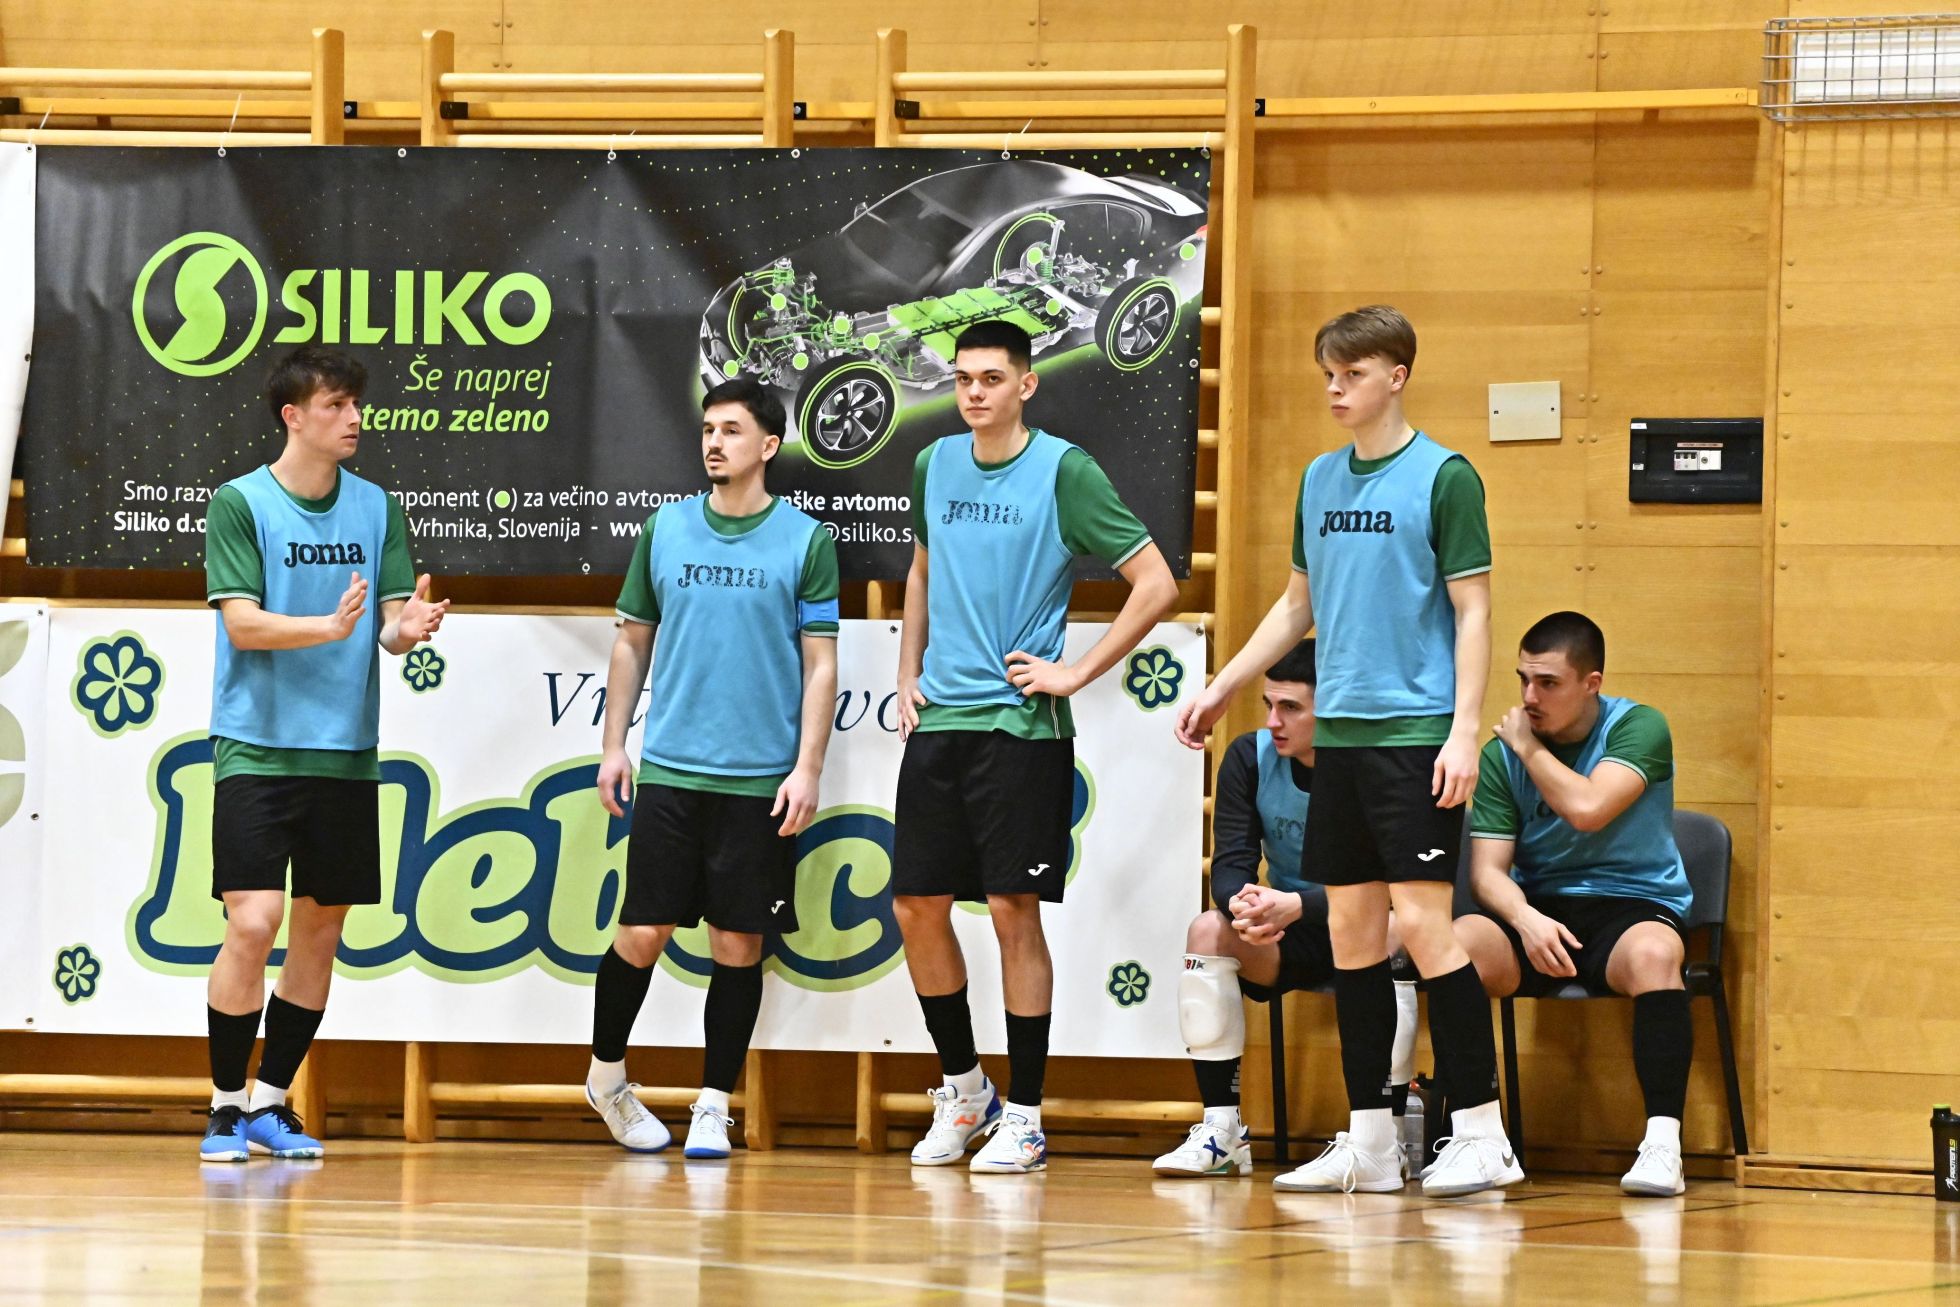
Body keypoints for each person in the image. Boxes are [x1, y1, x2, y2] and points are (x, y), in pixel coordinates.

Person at [1176, 305, 1520, 1197]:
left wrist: (1463, 729)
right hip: (1345, 741)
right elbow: (1297, 604)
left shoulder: (1444, 476)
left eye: (1353, 373)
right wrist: (1223, 683)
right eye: (1329, 374)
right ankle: (1371, 1139)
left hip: (1415, 736)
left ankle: (1483, 1132)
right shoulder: (1320, 479)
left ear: (1396, 376)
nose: (1335, 388)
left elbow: (1474, 610)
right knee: (1352, 932)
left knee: (1424, 926)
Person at [894, 319, 1179, 1174]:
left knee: (1012, 910)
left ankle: (1024, 1112)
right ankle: (965, 1086)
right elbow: (922, 568)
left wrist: (1075, 670)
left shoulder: (1064, 470)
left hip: (1020, 729)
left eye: (991, 378)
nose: (974, 392)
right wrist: (907, 670)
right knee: (916, 906)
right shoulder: (933, 463)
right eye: (962, 378)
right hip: (942, 722)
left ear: (1026, 384)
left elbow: (1156, 582)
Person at [201, 345, 448, 1162]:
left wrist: (407, 629)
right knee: (253, 921)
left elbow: (390, 624)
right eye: (336, 405)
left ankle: (272, 1102)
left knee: (319, 929)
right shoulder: (240, 503)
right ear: (293, 416)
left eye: (355, 404)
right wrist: (328, 627)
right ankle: (224, 1107)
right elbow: (243, 625)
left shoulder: (376, 507)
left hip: (343, 751)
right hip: (256, 746)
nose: (353, 418)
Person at [583, 377, 839, 1160]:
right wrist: (614, 744)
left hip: (759, 781)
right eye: (707, 429)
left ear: (769, 444)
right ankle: (606, 1079)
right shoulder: (666, 529)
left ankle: (712, 1104)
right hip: (671, 772)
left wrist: (807, 767)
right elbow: (632, 641)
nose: (714, 442)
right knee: (642, 931)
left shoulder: (805, 540)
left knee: (738, 944)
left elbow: (821, 664)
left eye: (731, 430)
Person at [1152, 639, 1422, 1180]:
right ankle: (1222, 1130)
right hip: (1288, 929)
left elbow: (1398, 884)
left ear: (1335, 707)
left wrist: (1299, 905)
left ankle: (1386, 1130)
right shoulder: (1249, 758)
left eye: (1291, 708)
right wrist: (1243, 904)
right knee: (1207, 930)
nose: (1274, 721)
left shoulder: (1378, 764)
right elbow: (1229, 863)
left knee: (1400, 929)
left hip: (1365, 923)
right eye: (1269, 705)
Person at [1454, 610, 1695, 1196]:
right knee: (1457, 944)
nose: (1529, 698)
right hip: (1538, 910)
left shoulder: (1638, 727)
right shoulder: (1499, 759)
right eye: (1523, 680)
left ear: (1592, 683)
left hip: (1630, 903)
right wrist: (1526, 919)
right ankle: (1478, 1139)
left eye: (1548, 683)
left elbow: (1588, 809)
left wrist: (1527, 748)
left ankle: (1663, 1146)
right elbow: (1486, 873)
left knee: (1656, 955)